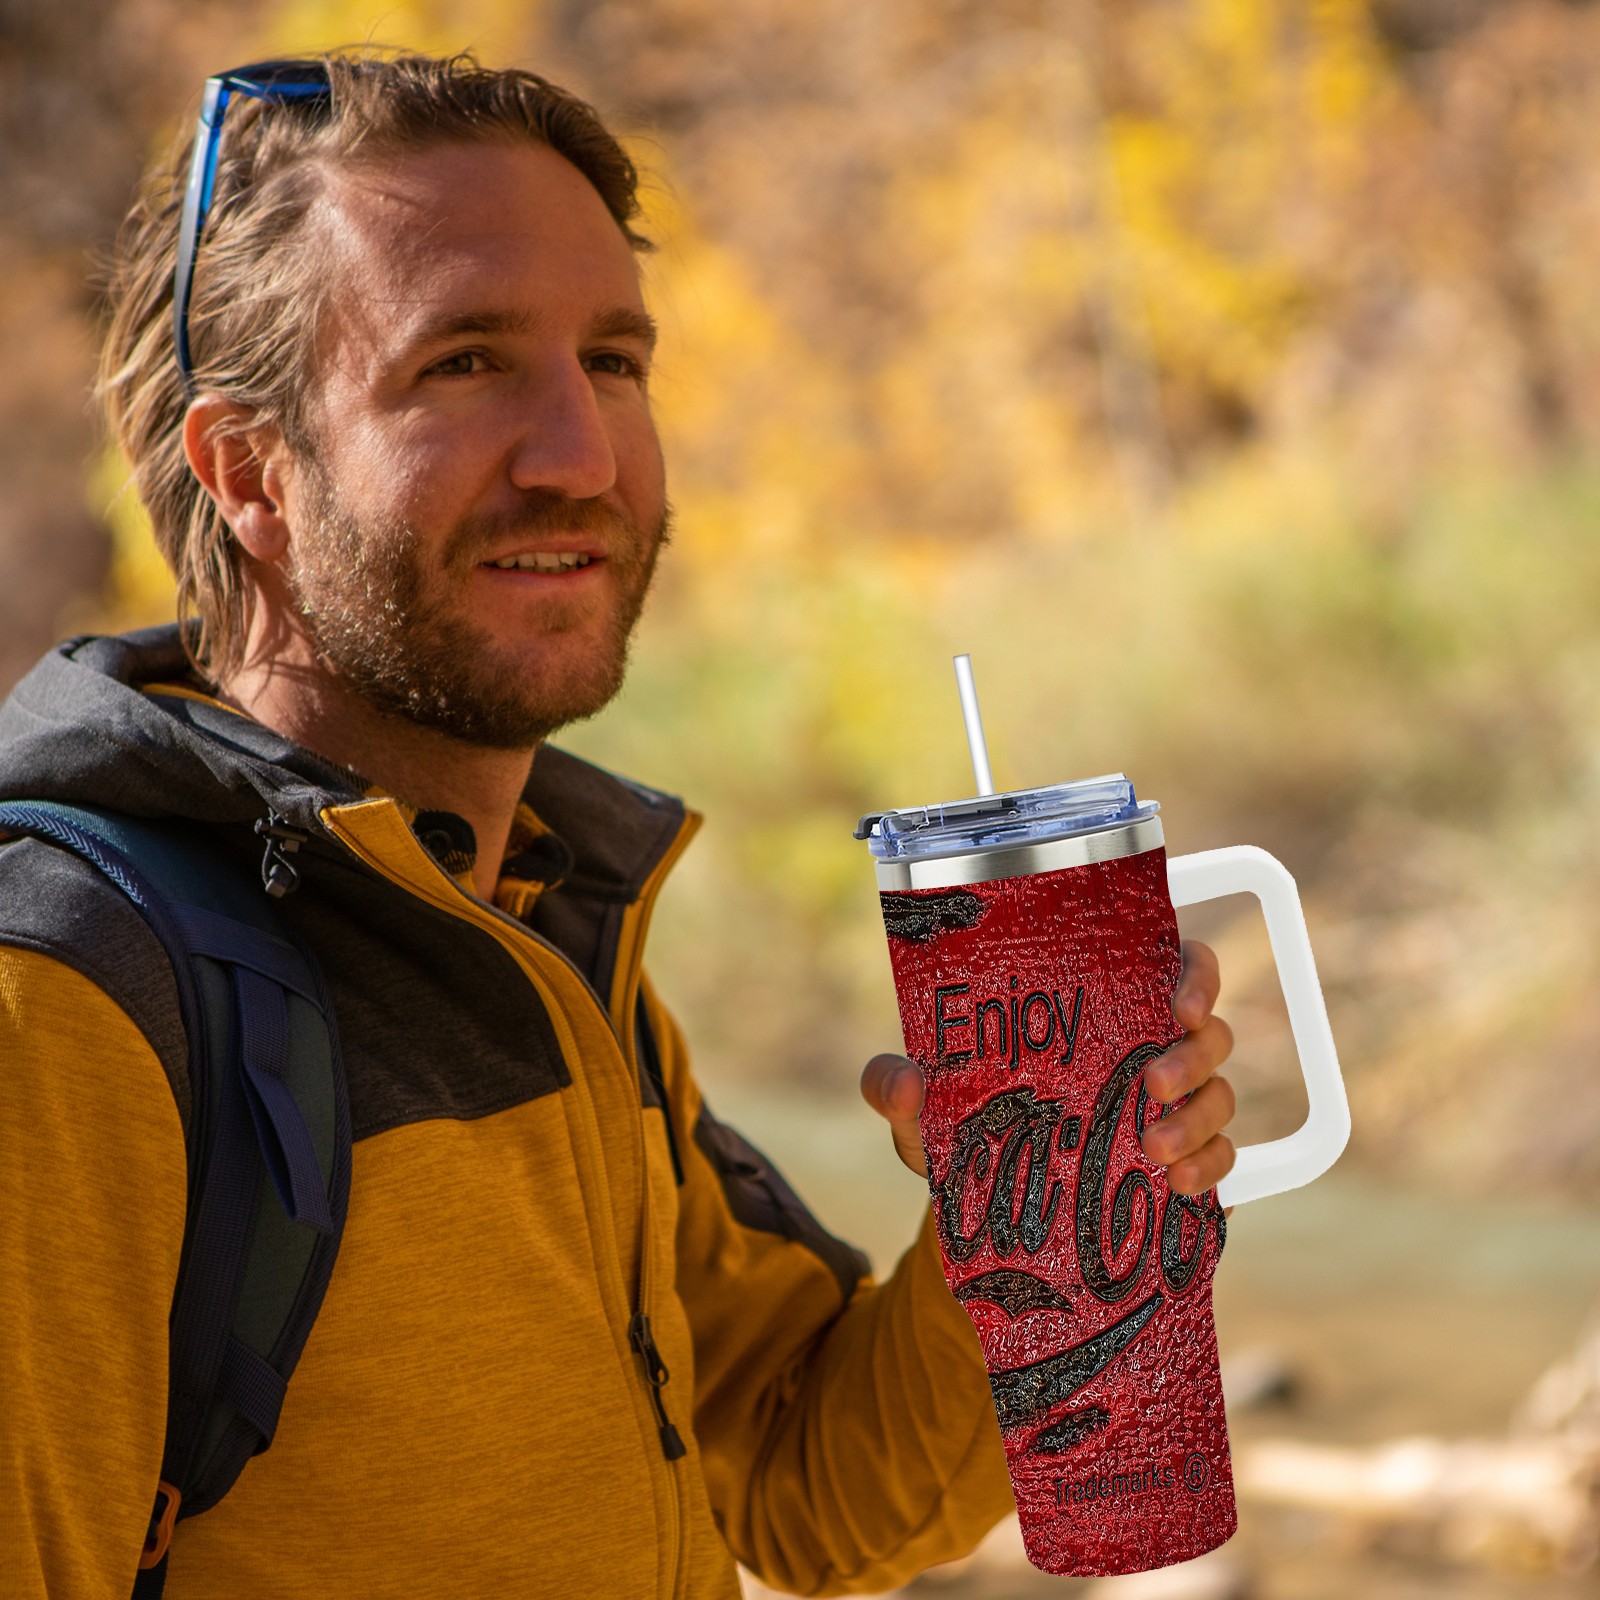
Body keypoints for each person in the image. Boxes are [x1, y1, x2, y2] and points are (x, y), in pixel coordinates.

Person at [0, 51, 1239, 1598]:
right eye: (463, 363)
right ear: (251, 473)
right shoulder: (70, 998)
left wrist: (1032, 1221)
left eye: (614, 360)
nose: (580, 455)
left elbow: (805, 1488)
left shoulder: (541, 924)